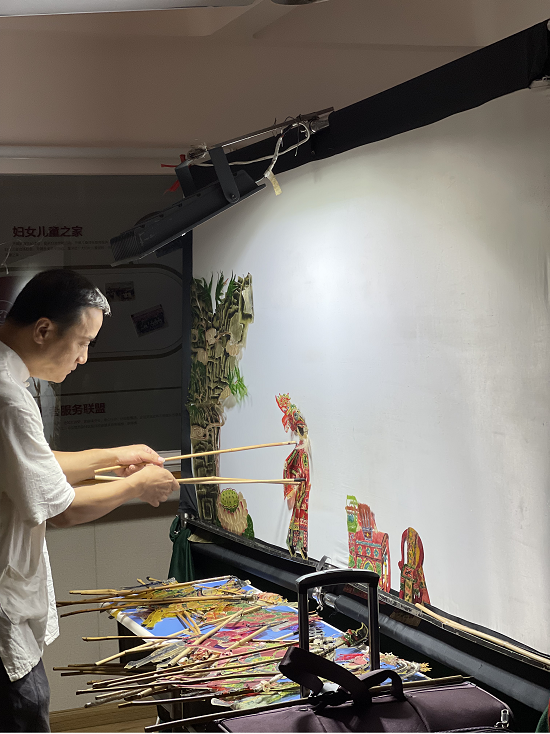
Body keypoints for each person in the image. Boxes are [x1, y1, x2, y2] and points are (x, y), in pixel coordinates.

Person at [0, 269, 179, 732]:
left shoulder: (8, 380)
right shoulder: (7, 397)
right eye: (82, 343)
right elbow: (63, 509)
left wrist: (115, 456)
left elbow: (34, 464)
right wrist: (138, 486)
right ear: (43, 330)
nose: (83, 358)